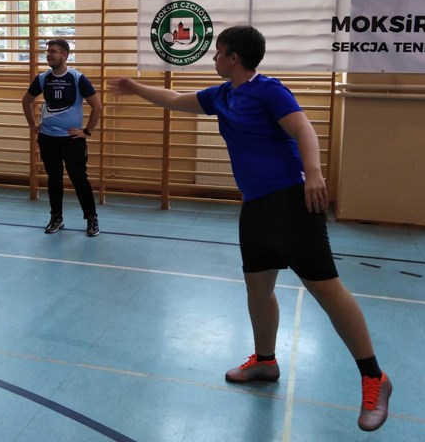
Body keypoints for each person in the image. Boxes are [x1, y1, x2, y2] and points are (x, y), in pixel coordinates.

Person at [110, 25, 391, 432]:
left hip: (293, 202)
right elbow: (172, 98)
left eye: (218, 52)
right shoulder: (222, 95)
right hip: (256, 206)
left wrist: (313, 173)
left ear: (233, 57)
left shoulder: (268, 90)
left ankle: (374, 378)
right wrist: (135, 87)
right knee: (258, 288)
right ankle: (265, 361)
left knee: (326, 290)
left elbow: (304, 129)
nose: (213, 58)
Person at [22, 38, 102, 237]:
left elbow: (97, 106)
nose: (49, 54)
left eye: (54, 51)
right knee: (54, 178)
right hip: (48, 138)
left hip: (72, 140)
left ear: (65, 55)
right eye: (48, 51)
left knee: (79, 178)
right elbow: (26, 100)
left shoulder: (77, 78)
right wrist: (32, 124)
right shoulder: (42, 78)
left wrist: (87, 131)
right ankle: (56, 217)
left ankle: (91, 218)